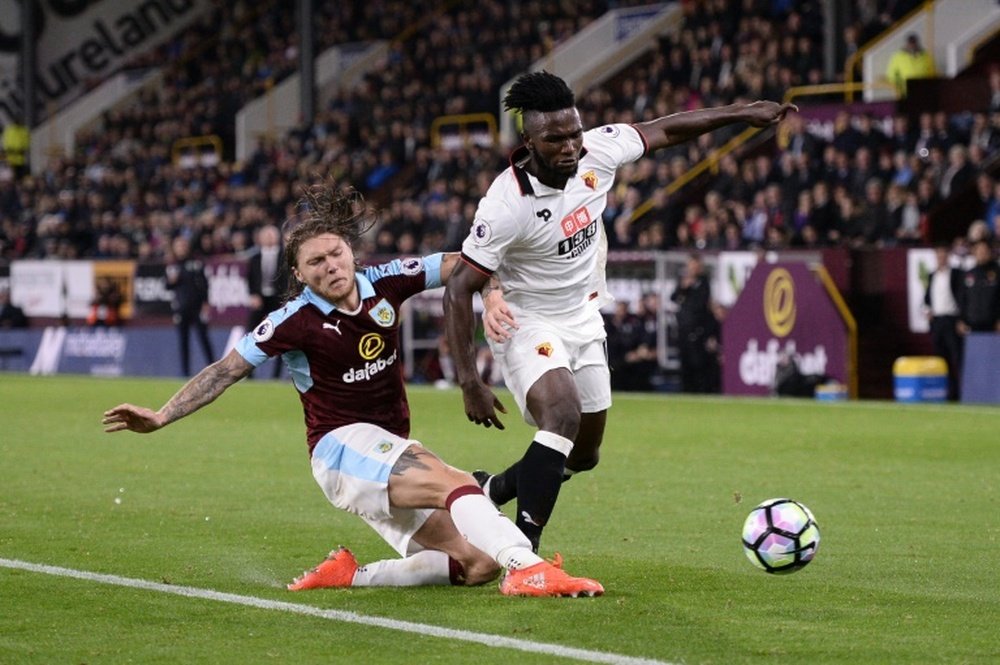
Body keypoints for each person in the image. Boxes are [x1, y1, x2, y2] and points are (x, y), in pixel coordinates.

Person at [103, 183, 603, 598]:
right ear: (299, 274)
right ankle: (527, 566)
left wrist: (491, 294)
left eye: (336, 253)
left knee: (473, 563)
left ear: (351, 252)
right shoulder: (292, 321)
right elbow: (225, 370)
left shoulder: (387, 280)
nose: (330, 266)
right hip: (340, 449)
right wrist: (162, 416)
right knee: (455, 483)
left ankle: (350, 574)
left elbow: (465, 265)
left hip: (383, 451)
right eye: (315, 262)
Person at [443, 71, 795, 551]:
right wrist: (469, 380)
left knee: (584, 454)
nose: (570, 147)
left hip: (585, 320)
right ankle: (520, 553)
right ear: (528, 140)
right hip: (528, 323)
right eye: (555, 139)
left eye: (574, 133)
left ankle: (493, 490)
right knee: (562, 415)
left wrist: (741, 113)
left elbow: (665, 129)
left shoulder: (597, 151)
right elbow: (459, 286)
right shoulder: (506, 205)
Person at [671, 253, 721, 394]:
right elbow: (673, 297)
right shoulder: (683, 281)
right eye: (691, 265)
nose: (693, 269)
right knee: (684, 363)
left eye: (696, 266)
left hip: (698, 330)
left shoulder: (704, 282)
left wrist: (689, 288)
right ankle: (686, 391)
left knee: (698, 363)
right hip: (683, 330)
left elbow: (701, 304)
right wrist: (684, 287)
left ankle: (701, 392)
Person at [166, 235, 215, 376]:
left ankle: (213, 368)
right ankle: (185, 372)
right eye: (178, 246)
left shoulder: (196, 263)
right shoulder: (172, 265)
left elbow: (204, 284)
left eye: (183, 246)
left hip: (197, 307)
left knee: (204, 338)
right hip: (181, 308)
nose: (181, 249)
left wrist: (206, 302)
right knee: (183, 341)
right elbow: (167, 285)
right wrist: (171, 281)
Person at [922, 244, 964, 400]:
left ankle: (962, 392)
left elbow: (962, 297)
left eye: (943, 255)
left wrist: (961, 318)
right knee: (941, 359)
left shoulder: (956, 274)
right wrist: (927, 311)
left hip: (952, 320)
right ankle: (948, 392)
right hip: (937, 322)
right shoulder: (932, 275)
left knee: (957, 357)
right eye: (938, 255)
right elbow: (927, 299)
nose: (941, 258)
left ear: (948, 256)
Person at [246, 224, 287, 378]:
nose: (269, 238)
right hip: (260, 300)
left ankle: (276, 375)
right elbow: (249, 279)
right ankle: (249, 373)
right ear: (260, 239)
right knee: (251, 335)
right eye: (266, 235)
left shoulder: (285, 256)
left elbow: (287, 280)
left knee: (282, 335)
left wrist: (285, 299)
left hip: (278, 300)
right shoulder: (255, 258)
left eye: (272, 235)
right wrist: (253, 295)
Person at [958, 239, 1000, 335]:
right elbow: (963, 299)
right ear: (974, 253)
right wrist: (961, 320)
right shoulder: (969, 274)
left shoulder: (997, 273)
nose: (982, 253)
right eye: (979, 250)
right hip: (972, 325)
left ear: (990, 252)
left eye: (985, 250)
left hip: (993, 326)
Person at [886, 33, 935, 98]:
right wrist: (899, 88)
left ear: (917, 43)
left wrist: (930, 87)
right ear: (906, 44)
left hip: (923, 91)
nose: (912, 45)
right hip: (905, 92)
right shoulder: (898, 57)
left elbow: (932, 73)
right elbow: (891, 75)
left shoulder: (926, 56)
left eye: (914, 42)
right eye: (910, 43)